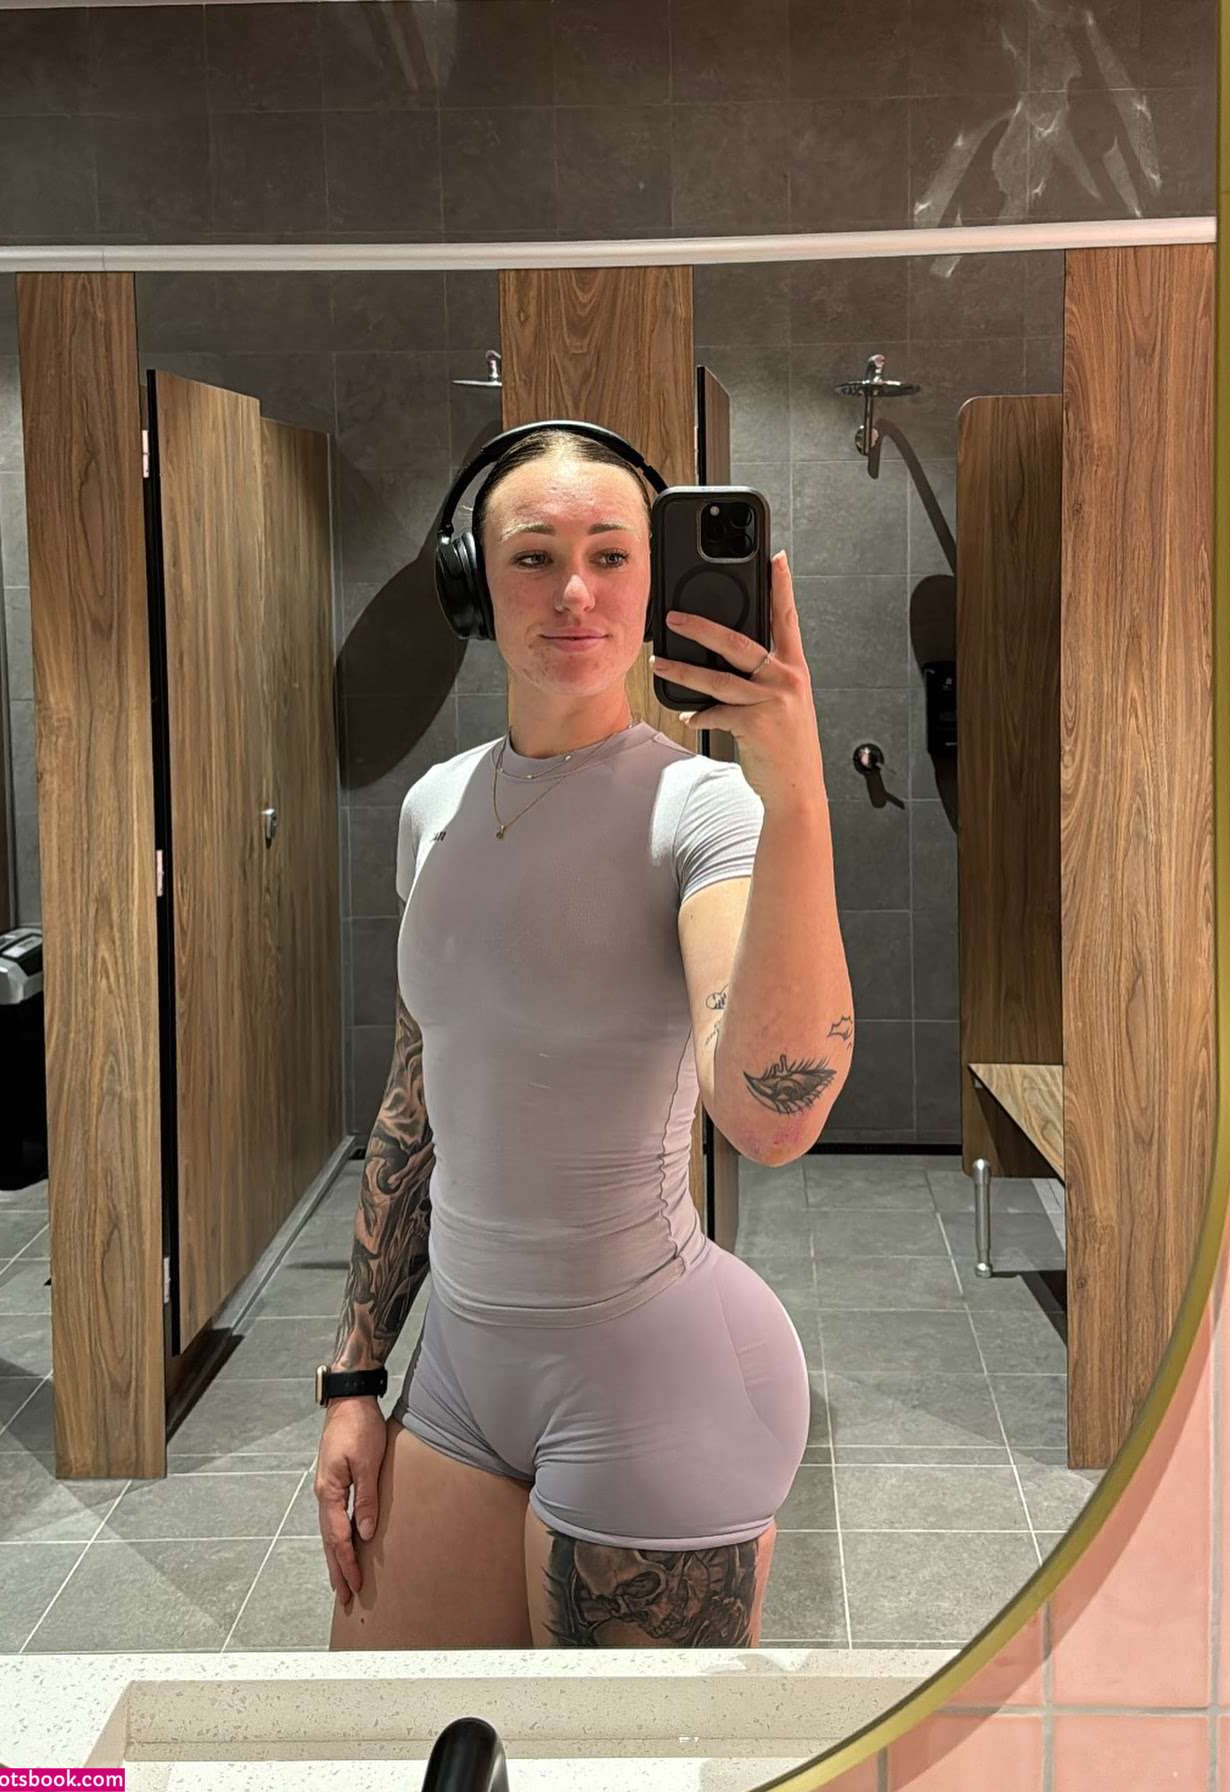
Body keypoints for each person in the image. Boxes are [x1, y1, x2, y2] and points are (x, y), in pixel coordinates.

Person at [316, 427, 855, 1649]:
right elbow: (416, 1101)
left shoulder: (704, 810)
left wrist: (797, 797)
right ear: (472, 583)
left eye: (612, 555)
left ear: (654, 582)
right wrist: (354, 1375)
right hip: (460, 1373)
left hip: (656, 1376)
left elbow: (772, 1119)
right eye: (533, 555)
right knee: (387, 1732)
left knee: (621, 1750)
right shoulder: (434, 805)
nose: (575, 590)